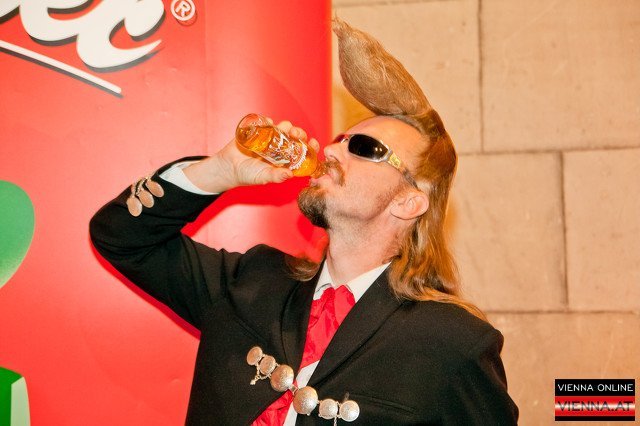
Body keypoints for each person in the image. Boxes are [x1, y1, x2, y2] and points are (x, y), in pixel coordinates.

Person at [90, 19, 518, 425]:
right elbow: (120, 236)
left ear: (409, 202)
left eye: (364, 148)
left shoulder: (454, 343)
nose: (330, 151)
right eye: (340, 139)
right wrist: (220, 170)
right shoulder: (250, 282)